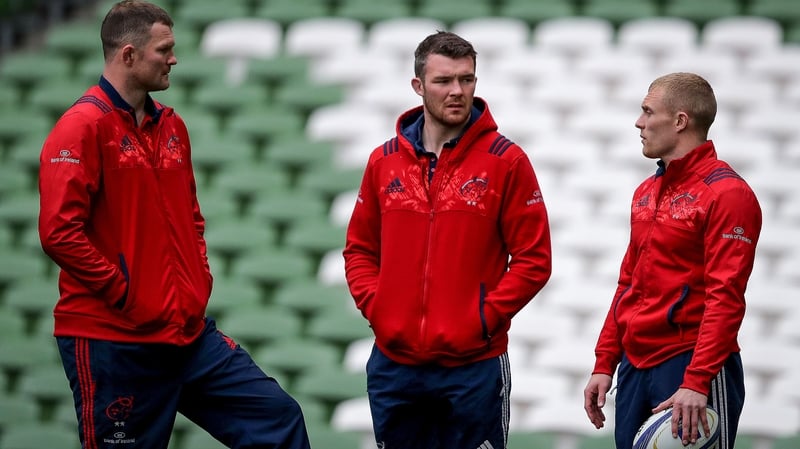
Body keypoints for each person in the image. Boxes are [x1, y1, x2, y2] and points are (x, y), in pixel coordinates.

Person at [37, 2, 310, 448]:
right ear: (128, 55)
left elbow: (191, 217)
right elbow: (58, 233)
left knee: (277, 418)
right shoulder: (81, 128)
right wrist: (126, 292)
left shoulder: (172, 126)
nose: (174, 58)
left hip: (185, 334)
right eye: (164, 49)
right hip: (115, 342)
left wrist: (196, 280)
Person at [343, 31, 552, 449]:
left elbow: (534, 259)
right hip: (394, 365)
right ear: (418, 86)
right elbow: (360, 250)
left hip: (473, 366)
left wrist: (482, 319)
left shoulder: (507, 162)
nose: (457, 91)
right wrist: (379, 307)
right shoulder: (382, 162)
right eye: (443, 81)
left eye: (467, 79)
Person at [583, 72, 762, 449]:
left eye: (648, 111)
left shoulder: (728, 194)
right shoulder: (646, 192)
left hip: (691, 367)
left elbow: (725, 296)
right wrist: (605, 362)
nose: (639, 122)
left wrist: (697, 380)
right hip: (635, 367)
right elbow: (628, 284)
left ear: (680, 121)